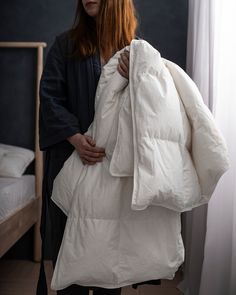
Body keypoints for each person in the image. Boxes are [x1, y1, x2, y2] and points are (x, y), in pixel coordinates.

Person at [36, 0, 160, 294]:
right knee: (72, 260)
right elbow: (50, 97)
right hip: (70, 162)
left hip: (113, 172)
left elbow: (154, 108)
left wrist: (137, 81)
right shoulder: (66, 45)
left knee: (108, 263)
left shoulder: (137, 51)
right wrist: (76, 138)